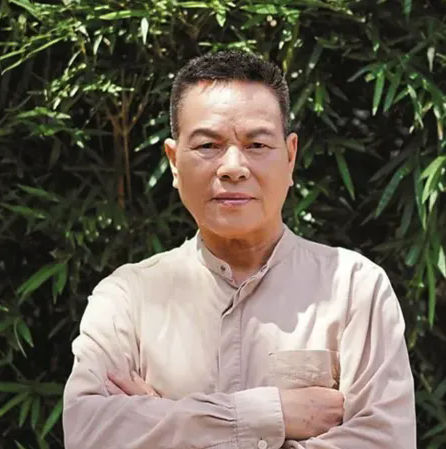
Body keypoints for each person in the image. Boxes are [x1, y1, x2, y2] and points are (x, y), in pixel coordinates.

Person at [62, 51, 416, 449]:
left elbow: (384, 441)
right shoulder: (127, 297)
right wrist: (272, 414)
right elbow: (88, 434)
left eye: (257, 144)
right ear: (174, 162)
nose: (233, 167)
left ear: (290, 156)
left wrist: (167, 422)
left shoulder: (353, 288)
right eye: (208, 145)